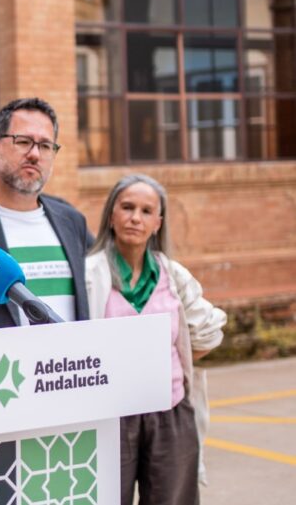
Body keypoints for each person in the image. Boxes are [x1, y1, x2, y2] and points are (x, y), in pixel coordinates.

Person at [85, 174, 226, 505]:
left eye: (147, 211)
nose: (136, 218)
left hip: (169, 410)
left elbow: (210, 329)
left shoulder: (171, 274)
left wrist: (169, 363)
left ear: (158, 223)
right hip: (111, 416)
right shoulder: (89, 274)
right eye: (127, 207)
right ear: (111, 214)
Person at [0, 98, 93, 327]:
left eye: (46, 145)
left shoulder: (72, 220)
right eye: (24, 141)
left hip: (67, 362)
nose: (35, 154)